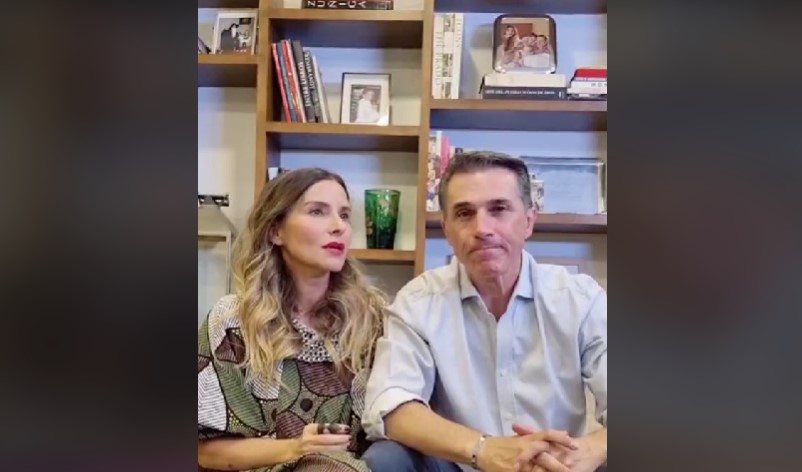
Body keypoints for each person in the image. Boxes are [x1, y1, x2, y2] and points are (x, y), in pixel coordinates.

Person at [361, 151, 608, 472]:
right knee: (386, 457)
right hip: (461, 464)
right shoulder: (418, 301)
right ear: (447, 229)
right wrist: (483, 448)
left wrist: (589, 450)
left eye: (499, 209)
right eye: (465, 213)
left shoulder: (580, 299)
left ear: (529, 221)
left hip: (558, 467)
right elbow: (390, 404)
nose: (482, 228)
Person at [198, 168, 387, 472]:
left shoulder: (372, 319)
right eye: (317, 211)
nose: (338, 226)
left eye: (344, 215)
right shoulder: (232, 322)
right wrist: (297, 448)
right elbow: (203, 451)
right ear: (276, 230)